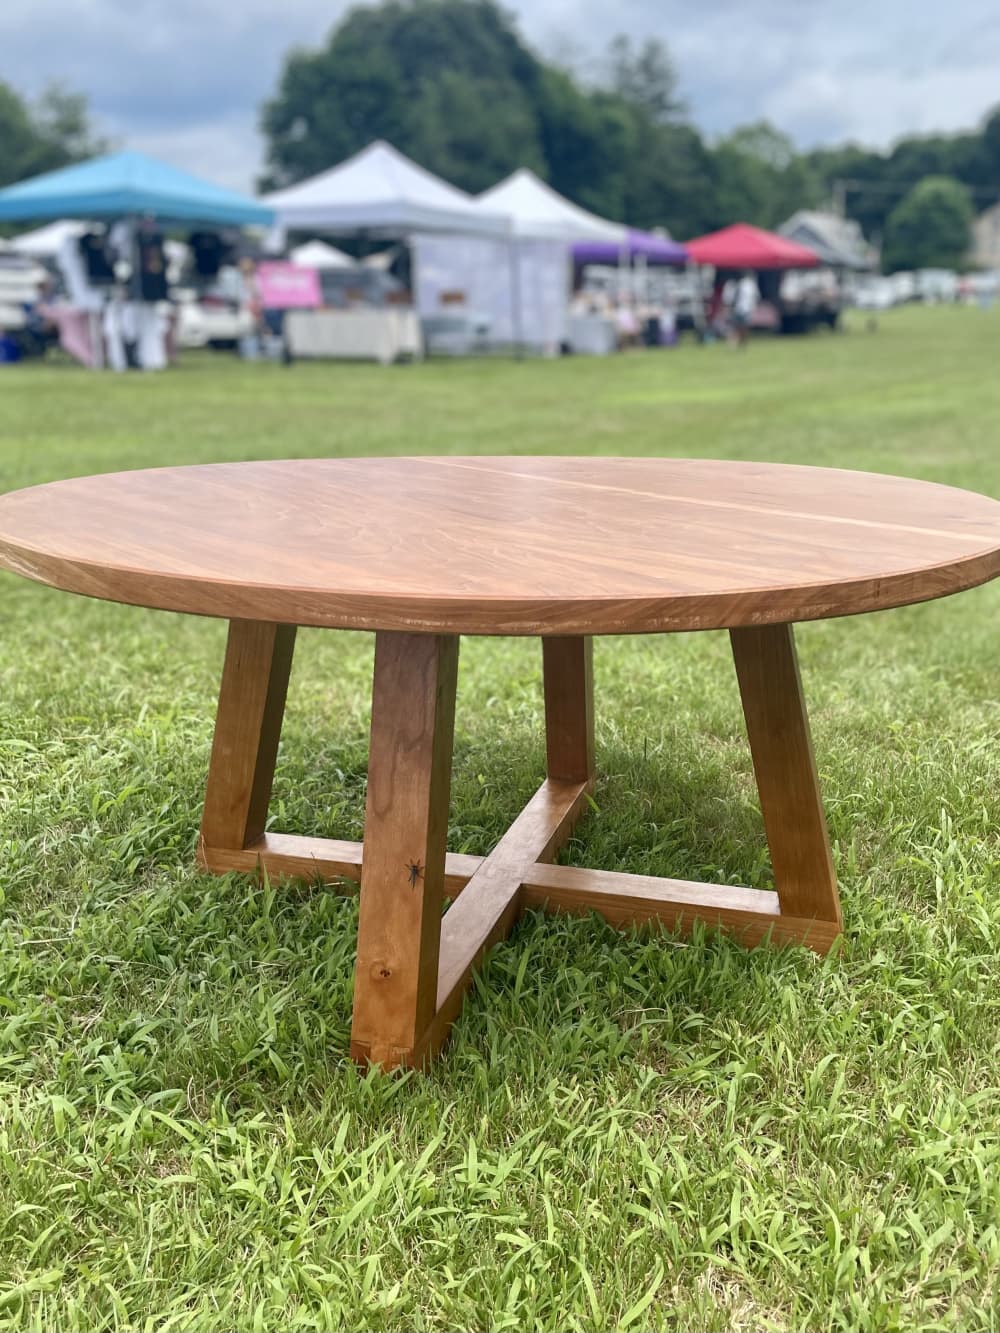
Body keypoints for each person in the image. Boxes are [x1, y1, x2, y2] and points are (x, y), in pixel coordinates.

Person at [730, 270, 759, 348]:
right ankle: (743, 342)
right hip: (746, 308)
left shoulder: (741, 284)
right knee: (743, 327)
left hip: (740, 308)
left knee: (738, 327)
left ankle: (740, 342)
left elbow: (735, 297)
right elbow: (756, 297)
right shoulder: (752, 284)